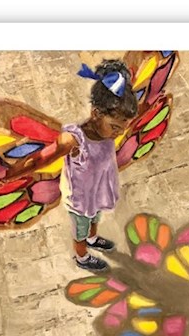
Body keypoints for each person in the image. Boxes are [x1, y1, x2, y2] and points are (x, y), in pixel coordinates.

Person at [59, 59, 138, 272]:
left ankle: (93, 239)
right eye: (114, 127)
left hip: (96, 190)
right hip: (80, 198)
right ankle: (82, 256)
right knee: (80, 228)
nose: (118, 133)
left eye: (121, 129)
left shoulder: (105, 131)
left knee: (95, 217)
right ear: (96, 114)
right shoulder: (75, 139)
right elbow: (42, 158)